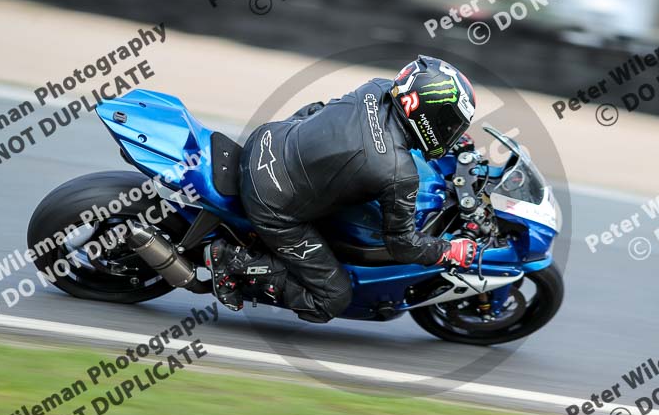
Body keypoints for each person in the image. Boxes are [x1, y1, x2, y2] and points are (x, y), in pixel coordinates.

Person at [204, 55, 479, 323]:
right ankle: (234, 261)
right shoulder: (398, 173)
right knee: (333, 297)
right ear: (428, 114)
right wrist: (447, 251)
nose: (450, 131)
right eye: (448, 123)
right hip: (270, 203)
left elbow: (321, 109)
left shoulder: (376, 88)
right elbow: (402, 246)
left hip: (267, 139)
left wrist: (451, 140)